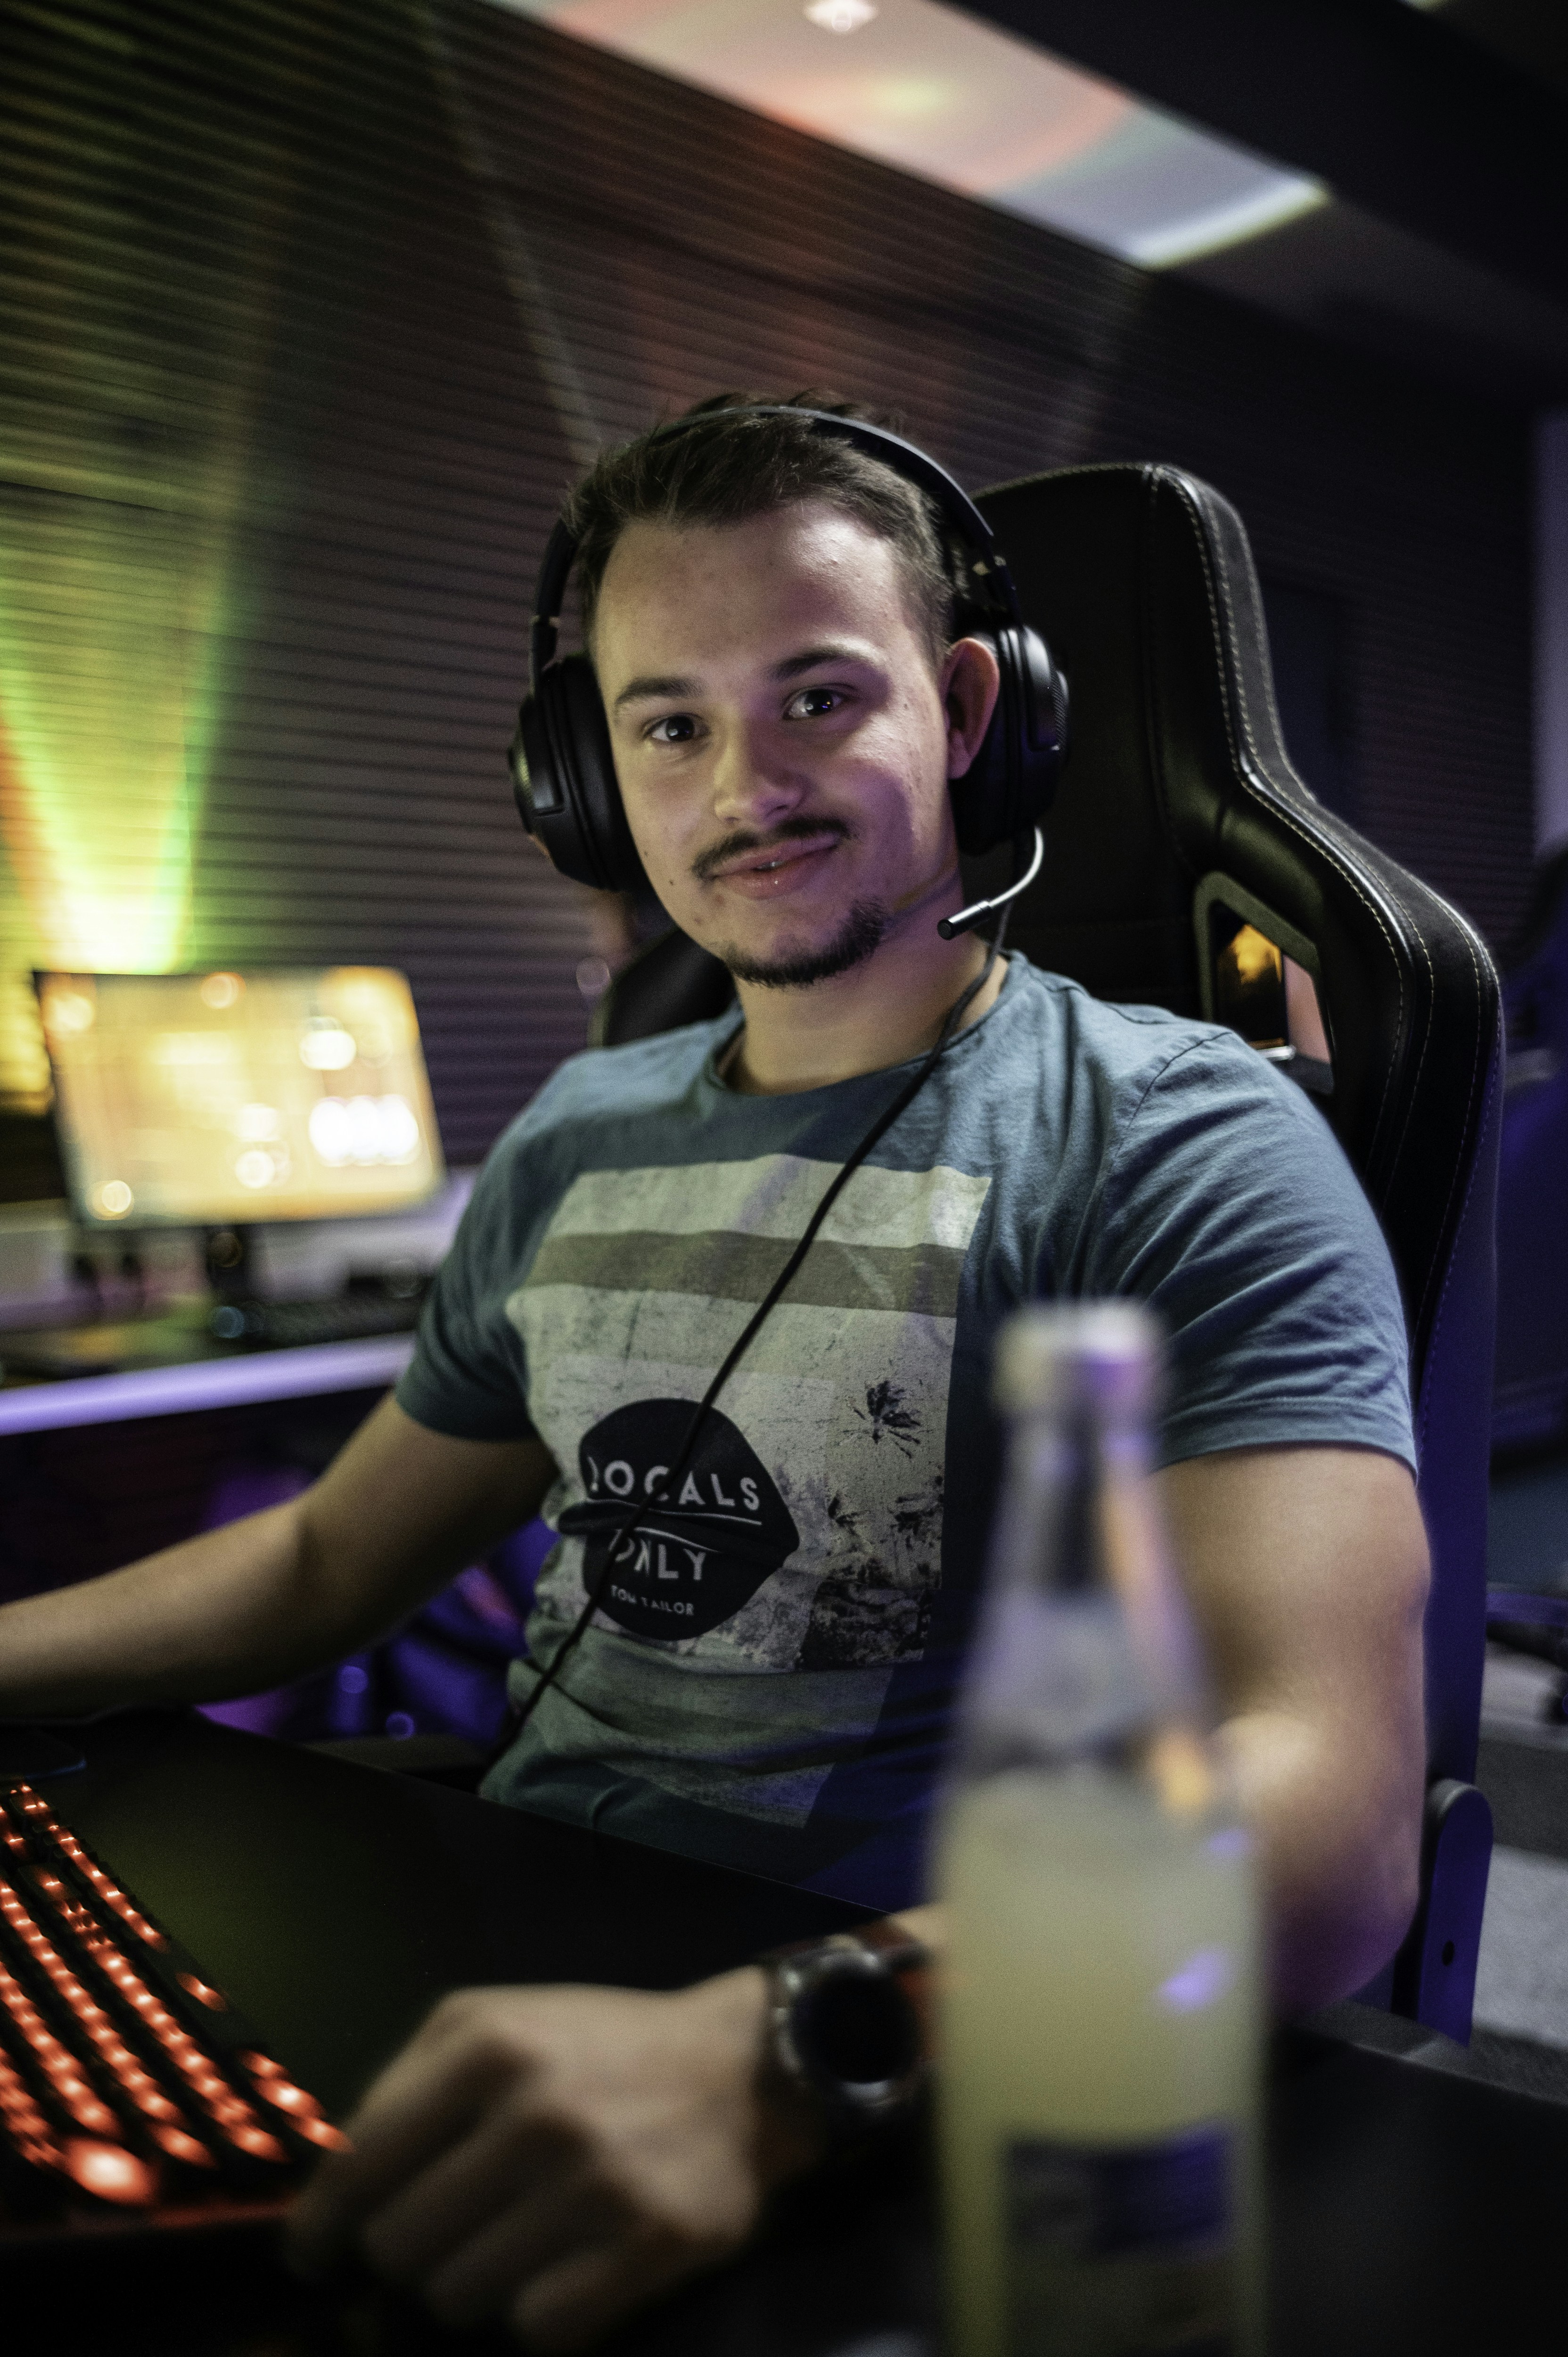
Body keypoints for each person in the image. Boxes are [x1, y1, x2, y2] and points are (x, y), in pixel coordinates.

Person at [0, 396, 1429, 2347]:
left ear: (967, 702)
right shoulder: (580, 1135)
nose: (743, 780)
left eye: (818, 697)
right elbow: (326, 1566)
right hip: (524, 1937)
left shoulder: (1169, 1141)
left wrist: (787, 2054)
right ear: (593, 779)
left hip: (903, 2049)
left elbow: (1332, 1824)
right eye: (669, 722)